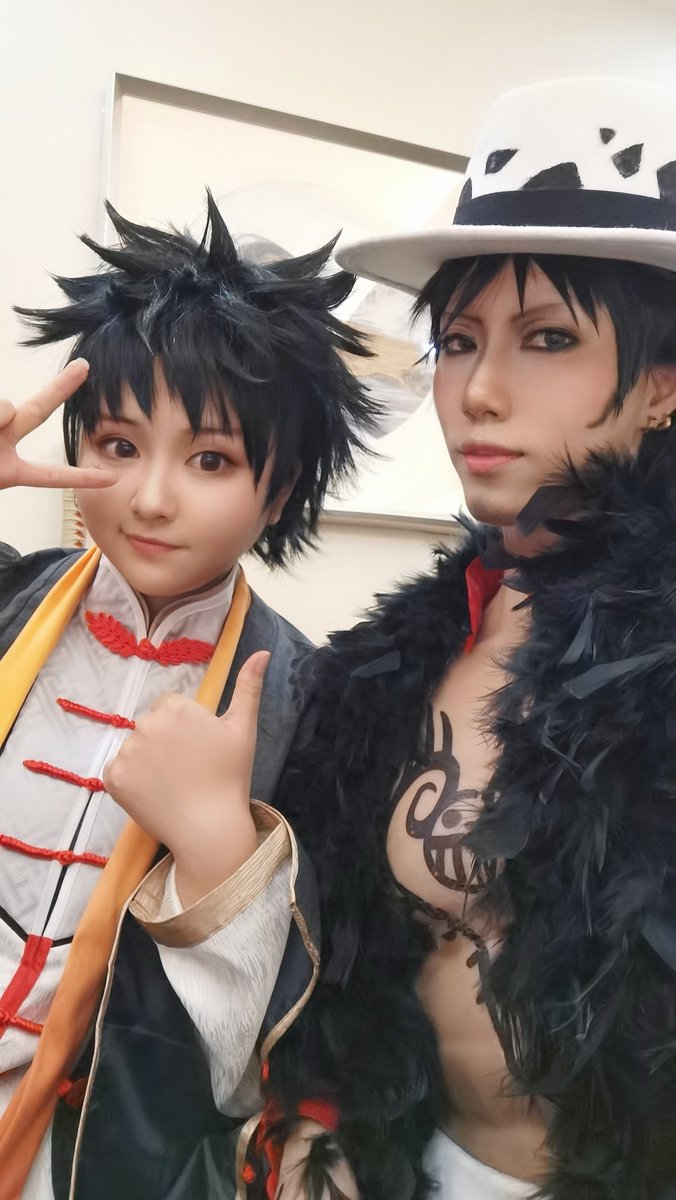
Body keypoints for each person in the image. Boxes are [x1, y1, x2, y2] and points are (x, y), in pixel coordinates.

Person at [238, 77, 676, 1200]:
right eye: (457, 340)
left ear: (662, 384)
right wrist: (318, 1125)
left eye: (547, 339)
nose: (478, 390)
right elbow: (343, 961)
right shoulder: (413, 651)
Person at [0, 193, 376, 1199]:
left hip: (83, 1158)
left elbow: (272, 1050)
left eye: (211, 459)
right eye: (118, 446)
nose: (151, 498)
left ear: (280, 490)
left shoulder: (312, 705)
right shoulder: (5, 603)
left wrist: (217, 852)